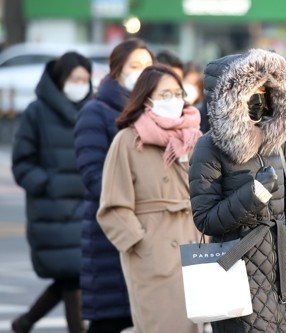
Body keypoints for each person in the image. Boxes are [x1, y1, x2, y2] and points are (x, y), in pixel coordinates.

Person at [189, 48, 286, 333]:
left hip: (280, 271)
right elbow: (205, 218)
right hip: (234, 272)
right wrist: (255, 194)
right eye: (252, 90)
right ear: (230, 98)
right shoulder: (208, 148)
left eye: (265, 89)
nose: (261, 97)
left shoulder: (278, 142)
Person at [96, 63, 203, 333]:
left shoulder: (195, 139)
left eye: (178, 94)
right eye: (165, 95)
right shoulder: (128, 141)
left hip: (196, 250)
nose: (174, 100)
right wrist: (142, 245)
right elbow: (112, 207)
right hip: (154, 257)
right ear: (146, 99)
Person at [74, 38, 153, 333]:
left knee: (144, 316)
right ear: (117, 69)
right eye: (135, 66)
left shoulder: (150, 113)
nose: (141, 72)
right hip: (111, 232)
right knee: (110, 318)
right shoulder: (96, 112)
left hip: (148, 230)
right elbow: (94, 176)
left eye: (147, 66)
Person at [11, 51, 93, 333]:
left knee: (73, 276)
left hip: (85, 209)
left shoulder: (91, 110)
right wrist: (46, 184)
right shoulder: (36, 112)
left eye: (85, 79)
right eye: (75, 78)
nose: (81, 84)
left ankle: (24, 322)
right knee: (73, 278)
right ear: (60, 79)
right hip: (52, 211)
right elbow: (22, 162)